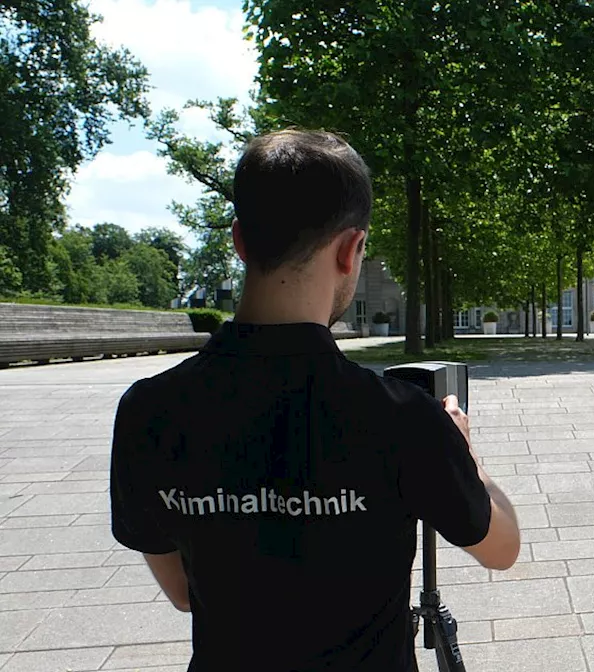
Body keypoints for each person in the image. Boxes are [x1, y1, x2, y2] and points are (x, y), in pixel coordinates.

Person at [109, 129, 521, 672]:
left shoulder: (148, 410)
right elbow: (501, 548)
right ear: (351, 250)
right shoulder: (399, 417)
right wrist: (467, 460)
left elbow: (184, 591)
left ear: (239, 240)